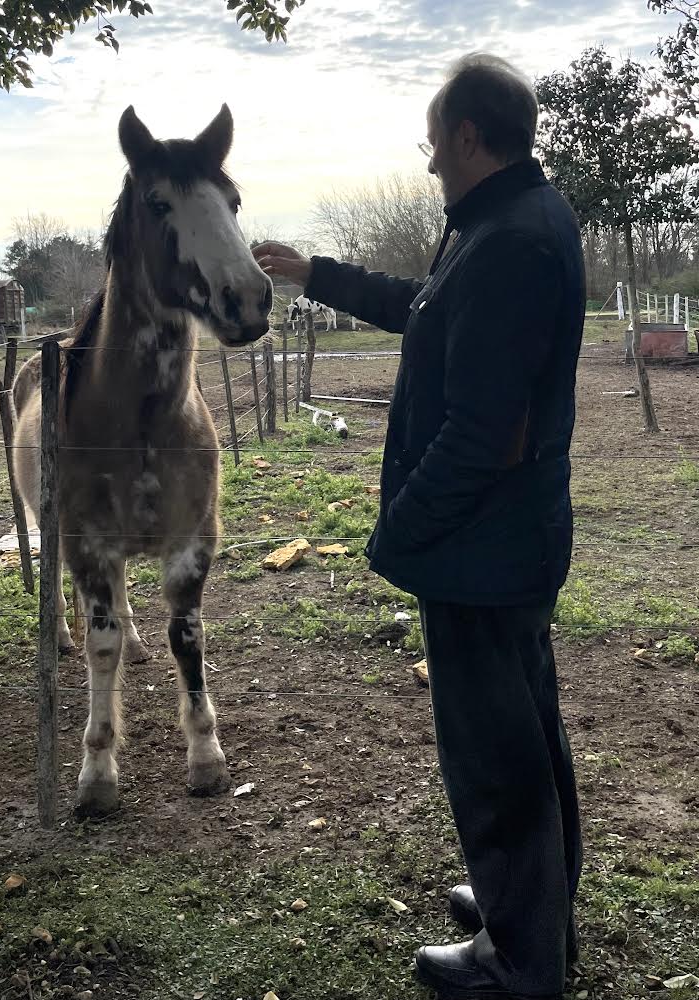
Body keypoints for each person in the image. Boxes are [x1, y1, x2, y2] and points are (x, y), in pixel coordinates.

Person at [253, 52, 584, 1000]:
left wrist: (403, 531)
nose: (429, 158)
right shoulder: (497, 226)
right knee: (528, 733)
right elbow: (423, 310)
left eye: (435, 140)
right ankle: (529, 907)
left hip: (482, 548)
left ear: (470, 137)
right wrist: (317, 272)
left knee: (497, 755)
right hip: (501, 544)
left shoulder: (512, 241)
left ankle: (520, 964)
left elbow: (482, 432)